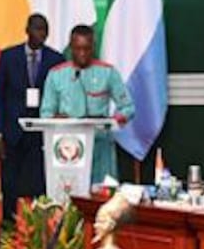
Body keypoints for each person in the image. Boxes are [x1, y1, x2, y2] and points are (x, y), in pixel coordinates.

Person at [0, 13, 65, 221]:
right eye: (37, 29)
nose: (40, 34)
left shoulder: (56, 59)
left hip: (42, 133)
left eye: (44, 30)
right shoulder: (8, 56)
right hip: (12, 132)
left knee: (40, 184)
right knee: (9, 185)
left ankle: (39, 234)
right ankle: (8, 234)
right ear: (27, 30)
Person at [40, 25, 134, 183]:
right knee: (69, 198)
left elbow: (128, 108)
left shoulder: (108, 72)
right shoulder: (56, 74)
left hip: (100, 146)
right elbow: (45, 113)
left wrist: (113, 121)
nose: (82, 53)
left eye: (86, 49)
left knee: (101, 199)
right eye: (77, 49)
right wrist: (57, 118)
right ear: (70, 48)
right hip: (67, 148)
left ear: (93, 47)